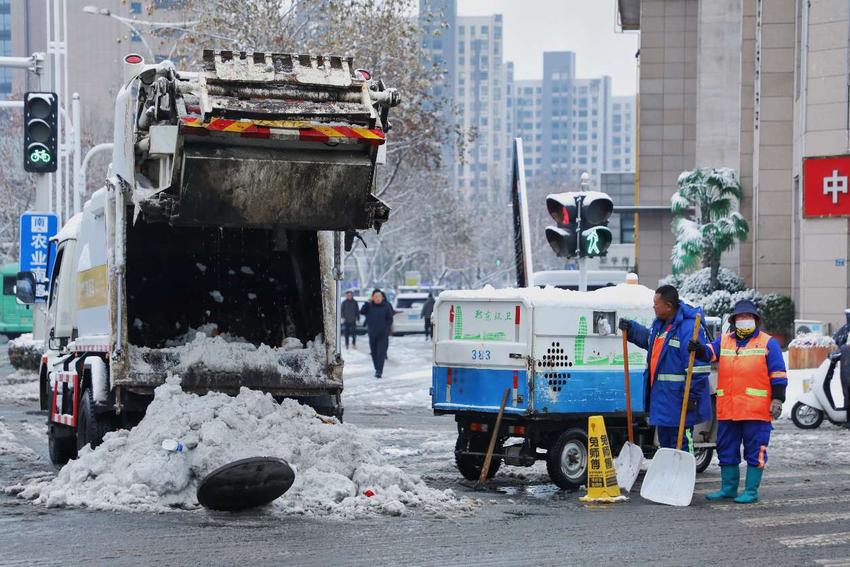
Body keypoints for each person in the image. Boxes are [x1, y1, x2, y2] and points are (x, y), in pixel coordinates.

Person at [688, 299, 787, 504]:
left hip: (756, 411)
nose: (744, 320)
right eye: (740, 317)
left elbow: (778, 374)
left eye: (748, 317)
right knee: (726, 449)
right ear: (733, 321)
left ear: (755, 320)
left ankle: (751, 491)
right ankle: (728, 489)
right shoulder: (724, 341)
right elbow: (709, 353)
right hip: (729, 410)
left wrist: (777, 399)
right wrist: (698, 348)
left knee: (755, 449)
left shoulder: (768, 343)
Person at [619, 285, 713, 452]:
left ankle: (683, 475)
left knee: (682, 444)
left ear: (668, 306)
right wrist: (632, 330)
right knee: (666, 445)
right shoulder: (661, 325)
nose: (653, 306)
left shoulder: (689, 328)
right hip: (663, 401)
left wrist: (692, 396)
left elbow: (698, 366)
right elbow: (651, 342)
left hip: (680, 400)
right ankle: (670, 477)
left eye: (656, 303)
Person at [360, 288, 394, 378]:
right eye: (376, 296)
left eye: (379, 296)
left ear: (382, 297)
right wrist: (367, 303)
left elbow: (390, 319)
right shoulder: (369, 306)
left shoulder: (386, 306)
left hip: (383, 334)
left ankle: (379, 371)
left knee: (381, 353)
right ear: (372, 297)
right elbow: (362, 311)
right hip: (372, 334)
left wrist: (386, 327)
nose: (378, 298)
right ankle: (377, 368)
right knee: (374, 352)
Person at [830, 338, 850, 427]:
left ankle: (848, 420)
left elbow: (833, 356)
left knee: (847, 398)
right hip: (846, 376)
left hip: (846, 377)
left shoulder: (844, 349)